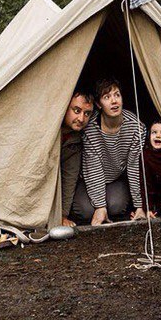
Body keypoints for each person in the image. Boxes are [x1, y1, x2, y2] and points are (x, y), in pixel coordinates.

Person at [70, 77, 147, 225]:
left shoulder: (136, 128)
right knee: (85, 210)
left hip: (116, 178)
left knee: (117, 207)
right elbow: (93, 168)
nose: (114, 101)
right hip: (89, 179)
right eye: (107, 97)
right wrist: (100, 206)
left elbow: (134, 167)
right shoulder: (90, 127)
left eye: (117, 95)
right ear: (98, 104)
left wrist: (139, 206)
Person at [59, 88, 94, 227]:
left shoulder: (76, 139)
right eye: (76, 111)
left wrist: (62, 215)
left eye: (87, 114)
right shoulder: (48, 128)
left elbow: (70, 176)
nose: (81, 119)